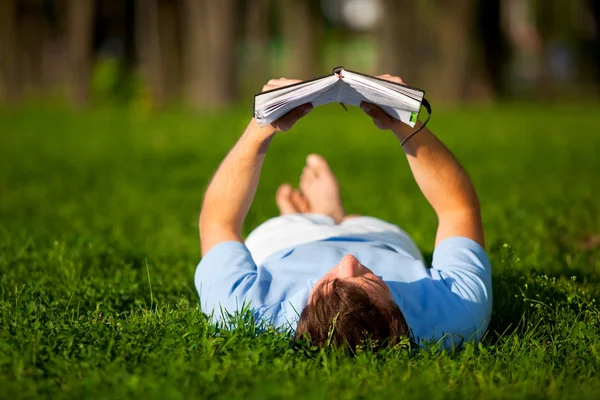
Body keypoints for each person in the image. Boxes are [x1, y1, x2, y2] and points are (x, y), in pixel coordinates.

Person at [195, 75, 492, 350]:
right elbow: (458, 209)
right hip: (384, 241)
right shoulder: (457, 314)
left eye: (328, 281)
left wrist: (260, 128)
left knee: (287, 226)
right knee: (357, 223)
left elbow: (218, 222)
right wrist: (405, 120)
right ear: (398, 316)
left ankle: (306, 217)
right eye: (371, 279)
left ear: (303, 307)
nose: (349, 260)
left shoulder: (243, 312)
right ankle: (330, 212)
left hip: (286, 243)